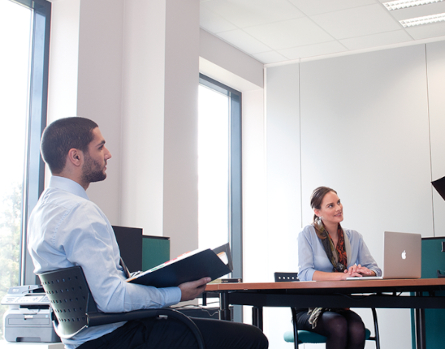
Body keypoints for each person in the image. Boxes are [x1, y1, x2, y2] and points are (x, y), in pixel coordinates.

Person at [28, 117, 268, 349]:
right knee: (251, 338)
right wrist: (176, 293)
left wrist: (167, 275)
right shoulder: (80, 212)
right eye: (100, 147)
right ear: (76, 156)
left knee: (211, 324)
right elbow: (111, 298)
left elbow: (98, 287)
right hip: (116, 338)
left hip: (86, 339)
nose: (108, 153)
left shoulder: (42, 212)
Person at [297, 186, 381, 349]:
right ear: (317, 212)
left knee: (357, 329)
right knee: (338, 325)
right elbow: (305, 273)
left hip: (339, 305)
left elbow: (376, 270)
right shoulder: (307, 234)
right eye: (331, 205)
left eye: (339, 202)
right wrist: (342, 276)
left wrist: (365, 272)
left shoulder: (354, 237)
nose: (338, 208)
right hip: (310, 309)